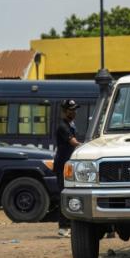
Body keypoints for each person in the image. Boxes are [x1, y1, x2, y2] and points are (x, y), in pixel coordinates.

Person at [54, 99, 81, 237]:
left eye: (75, 109)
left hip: (70, 165)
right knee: (63, 195)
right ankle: (63, 227)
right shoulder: (62, 126)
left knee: (72, 194)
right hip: (63, 165)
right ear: (65, 111)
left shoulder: (71, 124)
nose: (74, 112)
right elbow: (74, 142)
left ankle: (70, 224)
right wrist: (85, 146)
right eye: (71, 110)